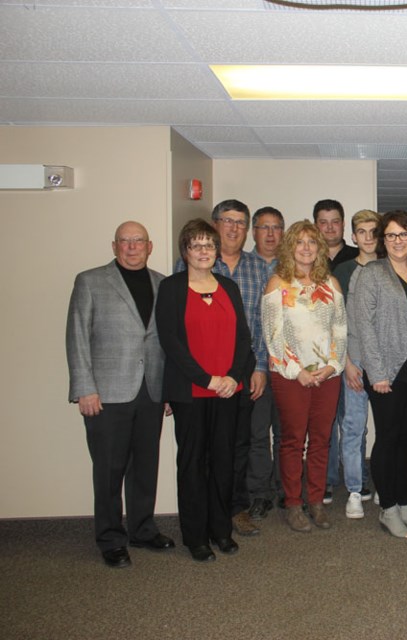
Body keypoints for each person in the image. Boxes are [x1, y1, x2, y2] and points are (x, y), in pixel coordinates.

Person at [67, 221, 175, 568]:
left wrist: (169, 389)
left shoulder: (162, 284)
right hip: (107, 394)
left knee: (145, 466)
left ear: (150, 246)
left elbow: (167, 342)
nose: (132, 247)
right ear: (114, 246)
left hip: (151, 391)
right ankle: (110, 538)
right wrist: (85, 388)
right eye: (125, 241)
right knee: (109, 469)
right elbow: (77, 338)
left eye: (138, 241)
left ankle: (142, 530)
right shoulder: (91, 281)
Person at [157, 219, 254, 562]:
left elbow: (244, 337)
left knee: (224, 463)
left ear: (216, 251)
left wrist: (231, 376)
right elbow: (171, 341)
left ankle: (220, 530)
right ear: (185, 251)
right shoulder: (171, 288)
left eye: (208, 246)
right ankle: (195, 535)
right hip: (192, 392)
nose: (203, 252)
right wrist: (207, 379)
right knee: (194, 463)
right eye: (196, 246)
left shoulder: (228, 286)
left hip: (229, 390)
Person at [175, 199, 269, 538]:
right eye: (227, 221)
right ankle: (200, 522)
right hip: (196, 382)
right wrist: (197, 378)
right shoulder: (181, 273)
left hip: (240, 376)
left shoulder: (258, 268)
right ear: (215, 225)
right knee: (197, 455)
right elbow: (175, 336)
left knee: (236, 446)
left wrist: (256, 367)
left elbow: (259, 325)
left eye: (241, 223)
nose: (234, 228)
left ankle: (234, 511)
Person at [262, 221, 346, 533]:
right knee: (293, 440)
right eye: (300, 242)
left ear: (320, 248)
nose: (307, 248)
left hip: (327, 375)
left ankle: (316, 501)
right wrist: (297, 372)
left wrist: (332, 364)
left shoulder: (332, 284)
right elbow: (273, 336)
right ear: (289, 248)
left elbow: (340, 330)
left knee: (322, 439)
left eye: (312, 242)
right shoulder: (277, 284)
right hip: (290, 376)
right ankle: (293, 504)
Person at [351, 210, 407, 539]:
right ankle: (388, 509)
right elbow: (363, 325)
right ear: (384, 240)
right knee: (388, 438)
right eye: (391, 235)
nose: (398, 241)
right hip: (386, 371)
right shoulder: (372, 273)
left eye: (404, 235)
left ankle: (404, 503)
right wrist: (376, 371)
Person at [333, 209, 380, 519]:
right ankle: (353, 490)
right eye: (361, 231)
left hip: (387, 361)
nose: (367, 237)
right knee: (353, 428)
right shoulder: (343, 271)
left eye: (373, 231)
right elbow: (336, 323)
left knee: (389, 429)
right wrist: (347, 362)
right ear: (353, 236)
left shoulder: (391, 268)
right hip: (355, 359)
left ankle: (386, 485)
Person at [248, 206, 285, 520]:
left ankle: (286, 489)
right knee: (258, 433)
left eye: (276, 228)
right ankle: (260, 492)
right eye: (264, 227)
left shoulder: (293, 268)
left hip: (288, 367)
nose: (271, 234)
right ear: (254, 232)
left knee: (286, 433)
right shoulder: (242, 267)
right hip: (258, 366)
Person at [313, 198, 359, 269]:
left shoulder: (359, 256)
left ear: (343, 224)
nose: (330, 227)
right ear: (315, 226)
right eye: (323, 222)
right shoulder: (308, 258)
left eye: (335, 222)